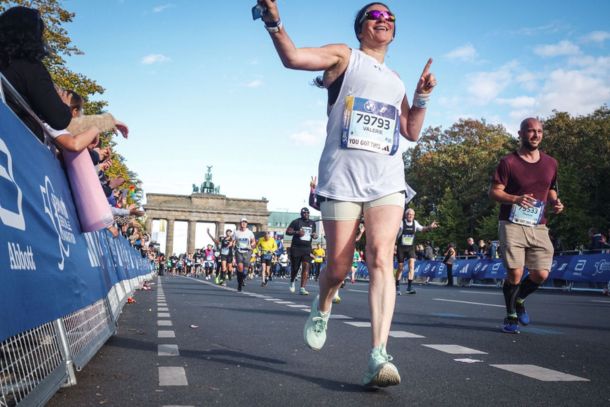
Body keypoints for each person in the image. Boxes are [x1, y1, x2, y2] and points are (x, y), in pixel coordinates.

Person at [258, 0, 435, 387]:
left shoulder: (396, 78)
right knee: (337, 268)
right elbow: (292, 58)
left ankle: (379, 354)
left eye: (390, 17)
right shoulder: (344, 55)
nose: (384, 20)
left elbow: (410, 130)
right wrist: (274, 23)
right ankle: (322, 304)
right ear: (361, 28)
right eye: (375, 15)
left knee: (380, 258)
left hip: (387, 179)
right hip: (342, 177)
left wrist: (421, 97)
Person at [489, 117, 564, 334]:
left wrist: (555, 202)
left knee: (541, 274)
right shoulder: (508, 162)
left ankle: (520, 298)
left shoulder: (551, 163)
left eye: (539, 131)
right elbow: (493, 192)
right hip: (512, 223)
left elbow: (550, 188)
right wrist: (515, 199)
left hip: (538, 225)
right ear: (520, 134)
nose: (536, 135)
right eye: (531, 131)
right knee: (515, 273)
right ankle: (511, 314)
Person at [395, 208, 438, 295]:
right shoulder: (401, 223)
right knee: (400, 268)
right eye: (408, 214)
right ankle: (397, 286)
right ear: (406, 215)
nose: (410, 216)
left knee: (411, 265)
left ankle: (409, 287)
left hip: (410, 248)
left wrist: (430, 227)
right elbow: (394, 232)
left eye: (412, 214)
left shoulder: (415, 223)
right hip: (401, 248)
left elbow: (423, 229)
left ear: (414, 216)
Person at [286, 207, 318, 295]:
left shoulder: (312, 223)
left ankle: (302, 288)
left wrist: (315, 236)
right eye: (304, 213)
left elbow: (314, 234)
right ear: (301, 214)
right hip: (296, 248)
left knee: (306, 266)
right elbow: (287, 232)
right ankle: (292, 281)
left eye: (307, 213)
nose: (306, 214)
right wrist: (297, 232)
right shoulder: (296, 222)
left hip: (307, 248)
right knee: (295, 268)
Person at [234, 218, 256, 292]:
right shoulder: (236, 232)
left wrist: (252, 245)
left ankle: (242, 278)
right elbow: (233, 241)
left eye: (245, 222)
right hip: (239, 251)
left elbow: (254, 242)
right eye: (242, 222)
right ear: (240, 223)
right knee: (240, 267)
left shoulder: (250, 232)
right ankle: (239, 284)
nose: (243, 223)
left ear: (247, 224)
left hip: (247, 251)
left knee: (245, 271)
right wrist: (231, 245)